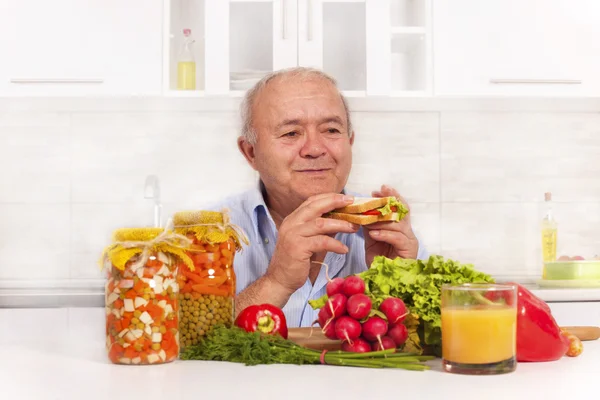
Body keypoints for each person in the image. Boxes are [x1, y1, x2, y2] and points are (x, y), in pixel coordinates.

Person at [213, 67, 428, 327]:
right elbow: (191, 345)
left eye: (331, 130)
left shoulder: (391, 233)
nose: (315, 149)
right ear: (250, 153)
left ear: (350, 141)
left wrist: (395, 283)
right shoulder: (206, 236)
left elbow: (428, 343)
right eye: (291, 133)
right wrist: (276, 281)